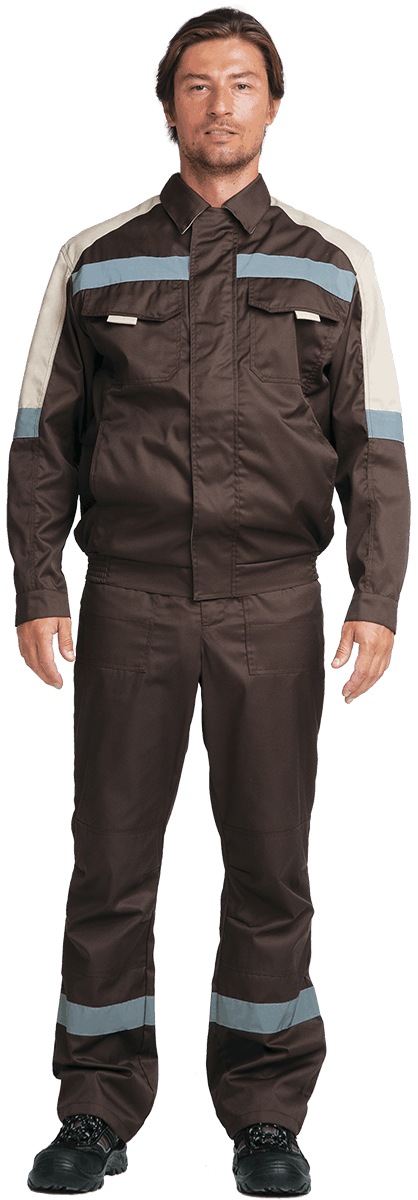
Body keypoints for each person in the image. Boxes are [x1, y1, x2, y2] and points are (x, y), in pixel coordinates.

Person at [7, 6, 410, 1197]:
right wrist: (39, 582)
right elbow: (40, 439)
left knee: (270, 863)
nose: (218, 103)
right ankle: (95, 1106)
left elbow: (376, 445)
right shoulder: (95, 256)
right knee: (108, 863)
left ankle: (266, 1112)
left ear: (273, 104)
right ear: (167, 106)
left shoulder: (335, 261)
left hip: (272, 603)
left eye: (240, 82)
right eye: (195, 83)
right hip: (127, 600)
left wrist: (375, 594)